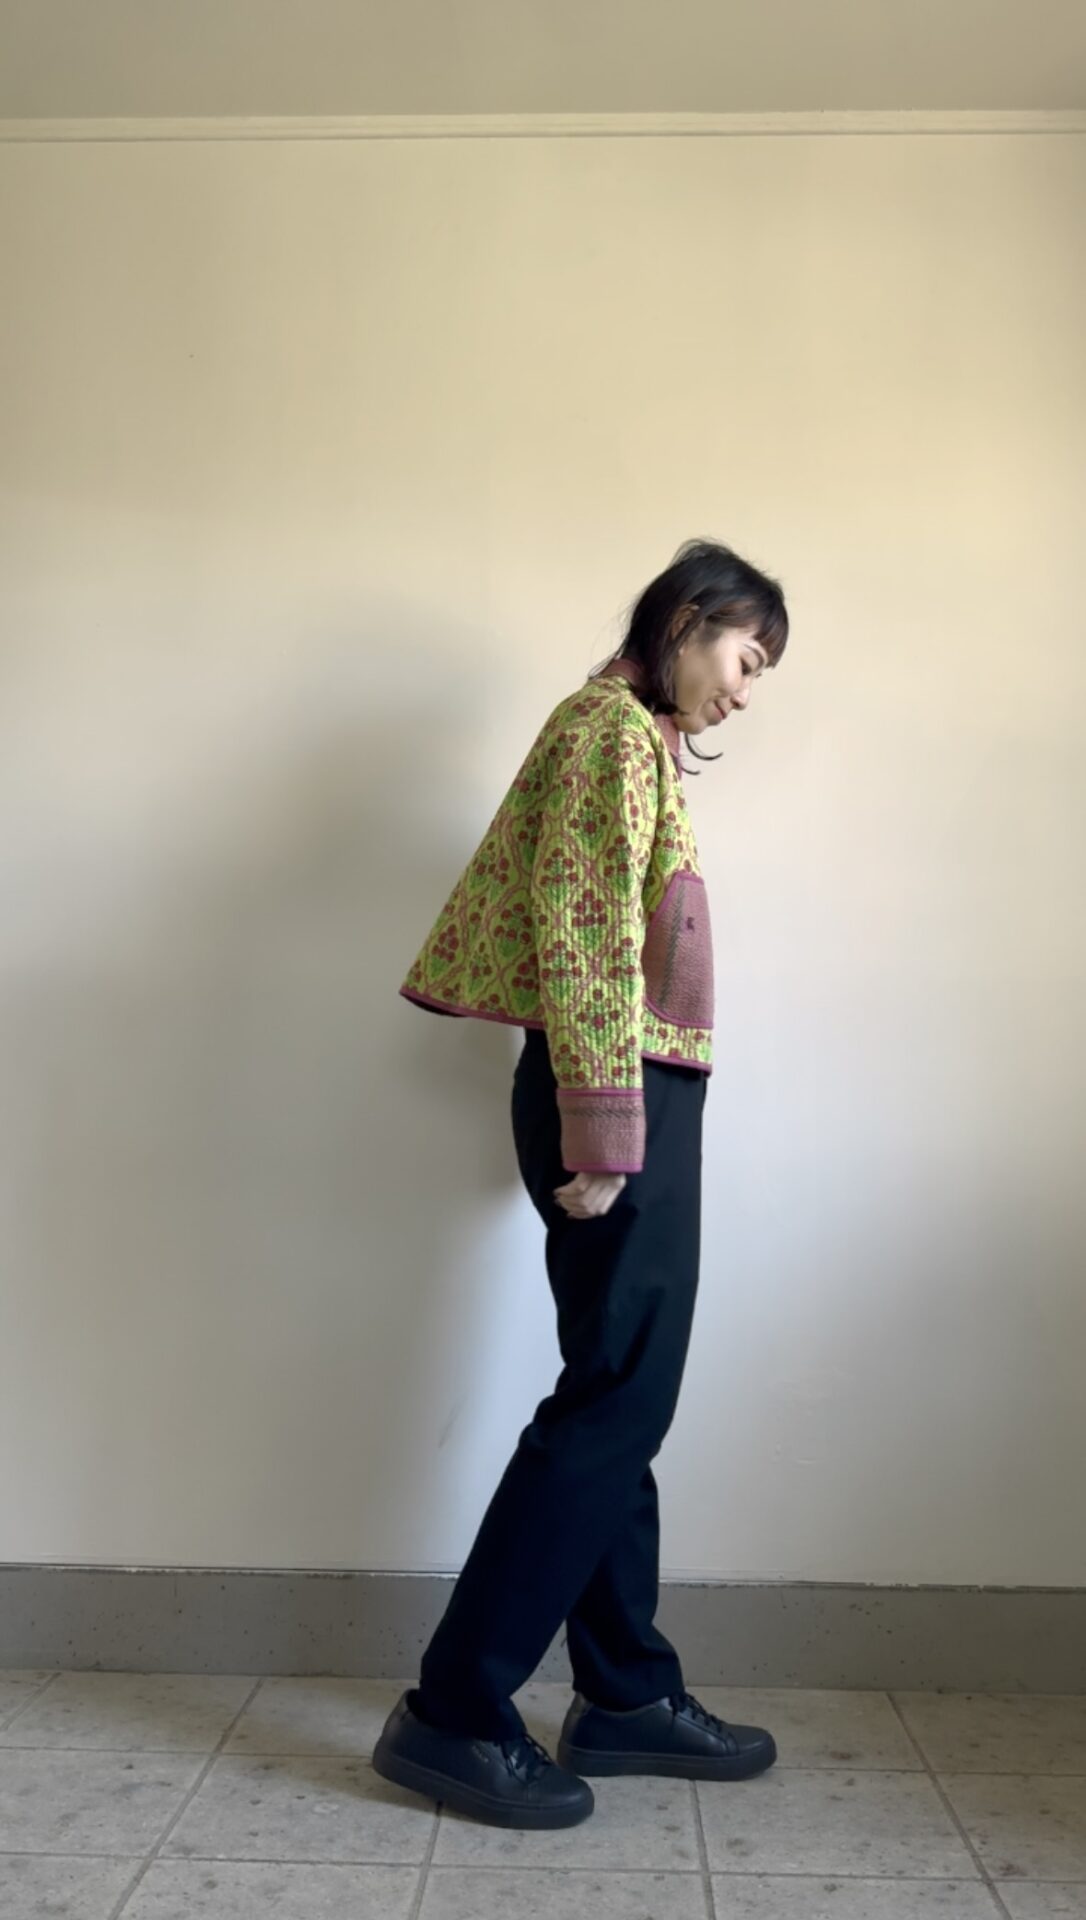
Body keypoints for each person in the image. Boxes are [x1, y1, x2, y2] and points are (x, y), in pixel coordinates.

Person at [373, 537, 790, 1828]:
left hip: (621, 1088)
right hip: (614, 1095)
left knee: (618, 1397)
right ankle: (454, 1709)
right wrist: (606, 1133)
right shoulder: (608, 731)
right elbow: (586, 929)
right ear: (690, 618)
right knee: (616, 1401)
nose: (747, 691)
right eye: (746, 658)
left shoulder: (628, 738)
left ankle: (624, 1691)